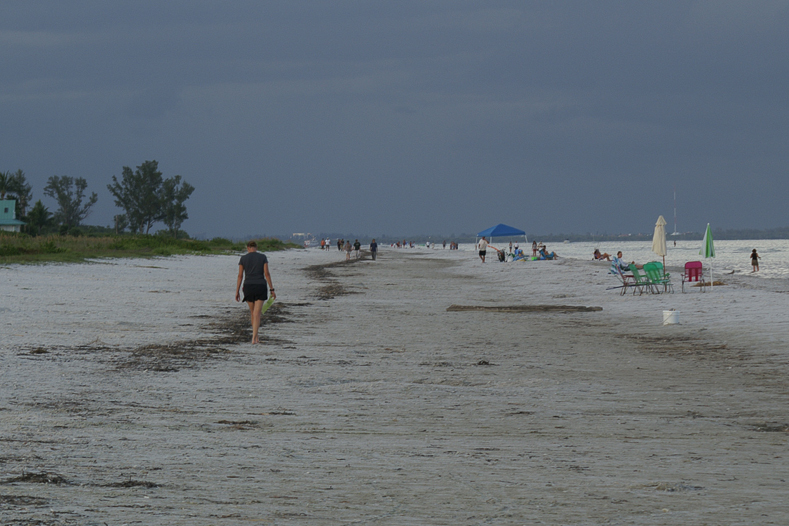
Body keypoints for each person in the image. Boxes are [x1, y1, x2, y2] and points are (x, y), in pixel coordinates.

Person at [236, 241, 276, 344]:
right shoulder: (263, 257)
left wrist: (237, 291)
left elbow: (240, 276)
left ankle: (255, 336)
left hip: (248, 286)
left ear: (248, 247)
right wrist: (272, 289)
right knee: (257, 313)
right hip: (260, 285)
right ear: (256, 247)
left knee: (253, 312)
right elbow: (267, 274)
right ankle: (254, 337)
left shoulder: (243, 258)